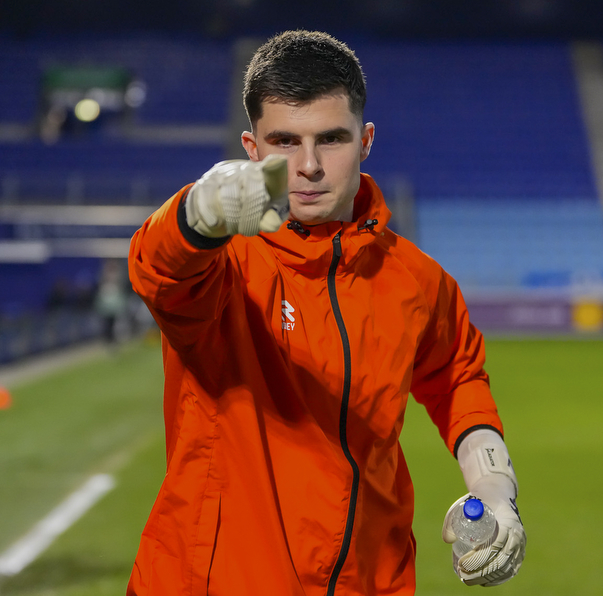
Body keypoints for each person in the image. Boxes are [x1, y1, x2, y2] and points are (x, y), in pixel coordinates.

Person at [127, 30, 525, 595]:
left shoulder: (417, 279)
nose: (309, 166)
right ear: (251, 149)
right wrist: (198, 211)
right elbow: (158, 269)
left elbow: (458, 379)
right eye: (285, 141)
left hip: (373, 581)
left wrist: (494, 488)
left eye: (331, 139)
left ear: (366, 141)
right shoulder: (225, 264)